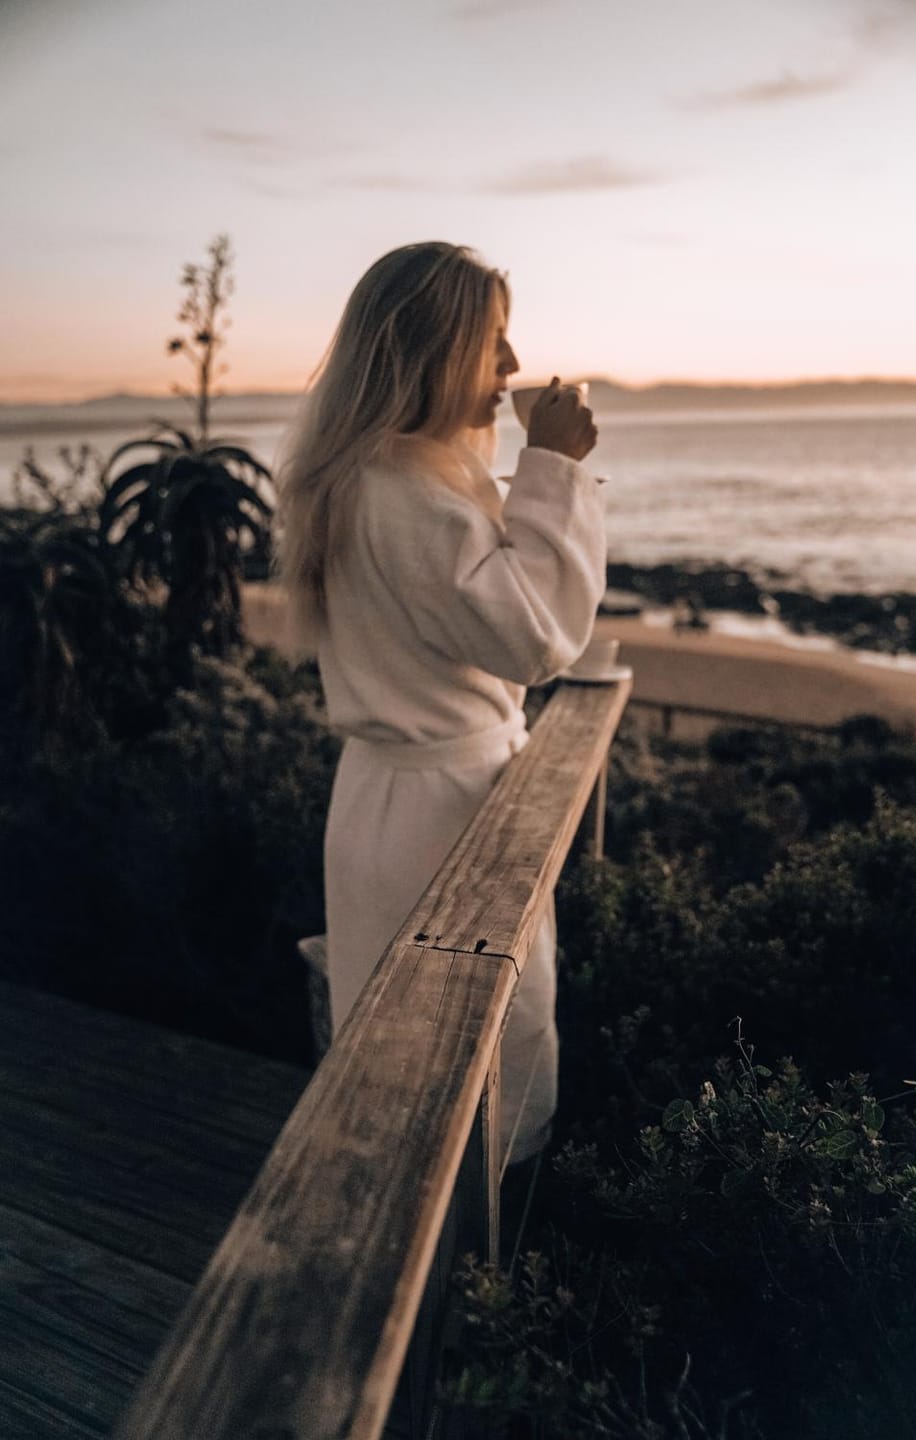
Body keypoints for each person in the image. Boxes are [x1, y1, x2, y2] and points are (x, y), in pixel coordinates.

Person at [275, 241, 606, 1167]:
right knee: (456, 1050)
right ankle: (468, 1234)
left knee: (408, 1051)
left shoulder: (379, 474)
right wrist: (553, 466)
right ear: (432, 348)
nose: (511, 363)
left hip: (393, 800)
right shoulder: (404, 494)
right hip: (439, 815)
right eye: (492, 340)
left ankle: (434, 1215)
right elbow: (534, 638)